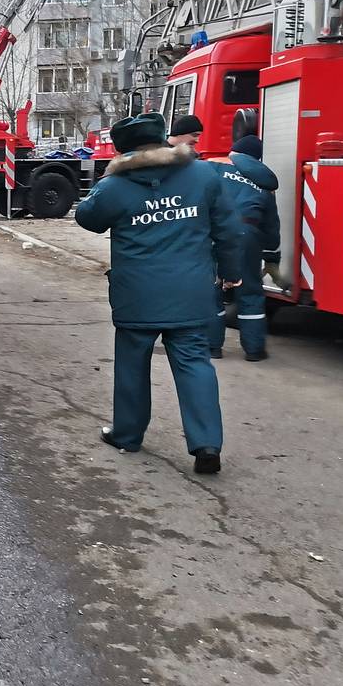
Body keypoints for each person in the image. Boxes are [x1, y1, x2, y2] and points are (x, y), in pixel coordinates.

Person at [75, 112, 241, 475]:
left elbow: (88, 219)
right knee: (195, 362)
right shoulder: (202, 174)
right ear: (164, 138)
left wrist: (109, 178)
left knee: (133, 364)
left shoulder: (116, 187)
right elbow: (228, 228)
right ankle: (206, 443)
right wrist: (230, 273)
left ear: (121, 148)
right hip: (191, 290)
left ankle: (127, 434)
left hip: (137, 292)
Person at [208, 135, 280, 361]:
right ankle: (254, 349)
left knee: (211, 290)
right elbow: (271, 226)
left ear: (235, 152)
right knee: (249, 292)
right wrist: (271, 256)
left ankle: (212, 347)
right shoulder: (265, 183)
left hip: (215, 231)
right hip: (247, 236)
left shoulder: (214, 166)